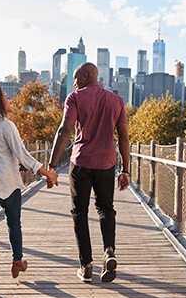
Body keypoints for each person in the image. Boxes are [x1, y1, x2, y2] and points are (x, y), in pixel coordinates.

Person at [0, 80, 59, 298]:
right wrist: (47, 173)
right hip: (8, 186)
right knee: (13, 224)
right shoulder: (6, 125)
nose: (10, 100)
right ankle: (17, 261)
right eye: (6, 97)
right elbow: (23, 155)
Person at [47, 62, 130, 283]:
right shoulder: (117, 101)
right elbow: (124, 137)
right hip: (106, 164)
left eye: (75, 78)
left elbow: (65, 130)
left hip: (81, 163)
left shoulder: (74, 98)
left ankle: (86, 266)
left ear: (85, 76)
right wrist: (126, 169)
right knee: (106, 209)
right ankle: (109, 251)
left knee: (79, 213)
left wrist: (52, 165)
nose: (73, 83)